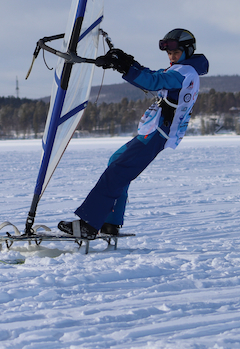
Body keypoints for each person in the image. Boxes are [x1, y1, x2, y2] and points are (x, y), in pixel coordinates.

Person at [58, 28, 209, 239]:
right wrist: (127, 61)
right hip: (153, 131)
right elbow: (154, 76)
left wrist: (125, 67)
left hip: (157, 133)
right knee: (116, 161)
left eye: (176, 52)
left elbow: (154, 82)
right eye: (169, 53)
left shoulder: (185, 73)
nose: (171, 56)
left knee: (118, 171)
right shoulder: (182, 69)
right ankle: (110, 223)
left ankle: (89, 224)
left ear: (188, 50)